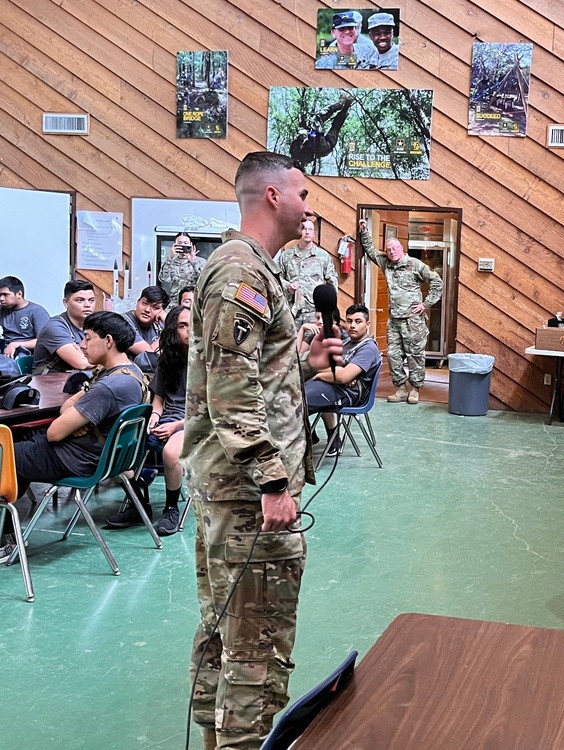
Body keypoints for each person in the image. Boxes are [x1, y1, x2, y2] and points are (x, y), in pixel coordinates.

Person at [181, 151, 342, 750]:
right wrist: (273, 480)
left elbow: (249, 374)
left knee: (227, 626)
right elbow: (230, 390)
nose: (308, 205)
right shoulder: (241, 272)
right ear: (272, 195)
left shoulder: (249, 267)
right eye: (301, 193)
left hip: (232, 484)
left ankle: (215, 737)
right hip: (247, 493)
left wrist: (303, 363)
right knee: (254, 639)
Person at [1, 312, 146, 562]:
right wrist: (82, 418)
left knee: (6, 456)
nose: (81, 344)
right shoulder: (130, 373)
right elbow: (64, 409)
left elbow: (55, 432)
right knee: (16, 456)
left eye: (88, 338)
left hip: (73, 458)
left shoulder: (108, 386)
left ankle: (5, 538)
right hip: (93, 456)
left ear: (108, 340)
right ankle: (6, 531)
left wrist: (79, 418)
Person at [106, 305, 191, 535]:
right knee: (118, 444)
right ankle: (138, 502)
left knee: (171, 453)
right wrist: (154, 417)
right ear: (173, 330)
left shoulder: (210, 363)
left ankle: (171, 507)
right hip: (167, 419)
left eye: (193, 324)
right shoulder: (167, 360)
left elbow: (210, 410)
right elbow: (159, 399)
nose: (189, 330)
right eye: (182, 325)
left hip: (195, 422)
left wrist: (176, 425)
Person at [358, 218, 443, 404]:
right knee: (394, 355)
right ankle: (401, 388)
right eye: (388, 250)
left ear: (401, 249)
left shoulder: (415, 265)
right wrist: (364, 232)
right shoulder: (386, 262)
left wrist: (426, 304)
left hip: (413, 321)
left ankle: (415, 389)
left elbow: (437, 281)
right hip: (394, 320)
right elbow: (371, 251)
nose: (391, 252)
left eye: (394, 249)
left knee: (415, 356)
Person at [305, 303, 381, 454]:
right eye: (349, 321)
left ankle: (297, 447)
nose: (352, 325)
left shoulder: (368, 349)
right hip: (334, 386)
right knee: (292, 395)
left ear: (368, 324)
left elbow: (344, 376)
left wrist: (322, 375)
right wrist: (335, 373)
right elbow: (327, 367)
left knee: (295, 402)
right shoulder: (346, 342)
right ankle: (307, 438)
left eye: (358, 321)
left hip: (347, 394)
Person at [278, 217, 337, 329]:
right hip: (291, 311)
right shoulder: (286, 255)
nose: (307, 232)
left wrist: (327, 309)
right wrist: (288, 287)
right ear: (299, 231)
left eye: (310, 229)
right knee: (291, 344)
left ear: (314, 233)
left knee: (313, 344)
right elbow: (276, 278)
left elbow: (332, 283)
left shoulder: (323, 256)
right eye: (304, 228)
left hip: (314, 312)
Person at [32, 280, 96, 374]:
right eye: (80, 300)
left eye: (91, 300)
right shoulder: (55, 327)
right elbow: (81, 363)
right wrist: (105, 360)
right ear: (66, 303)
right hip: (48, 382)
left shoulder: (93, 325)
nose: (87, 305)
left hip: (78, 379)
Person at [0, 275, 50, 357]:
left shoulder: (37, 311)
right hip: (6, 351)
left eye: (5, 294)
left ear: (19, 294)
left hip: (27, 354)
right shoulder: (2, 310)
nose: (1, 299)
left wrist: (15, 344)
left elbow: (44, 341)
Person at [159, 232, 206, 305]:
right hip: (175, 302)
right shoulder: (170, 261)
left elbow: (204, 280)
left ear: (191, 244)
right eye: (179, 243)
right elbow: (164, 279)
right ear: (174, 245)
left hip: (193, 302)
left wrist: (193, 262)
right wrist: (170, 258)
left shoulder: (201, 261)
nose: (183, 245)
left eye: (185, 243)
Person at [124, 285, 169, 356]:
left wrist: (167, 320)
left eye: (155, 307)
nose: (147, 310)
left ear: (162, 311)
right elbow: (149, 355)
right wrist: (169, 329)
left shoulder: (159, 322)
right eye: (144, 303)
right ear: (138, 301)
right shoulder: (123, 322)